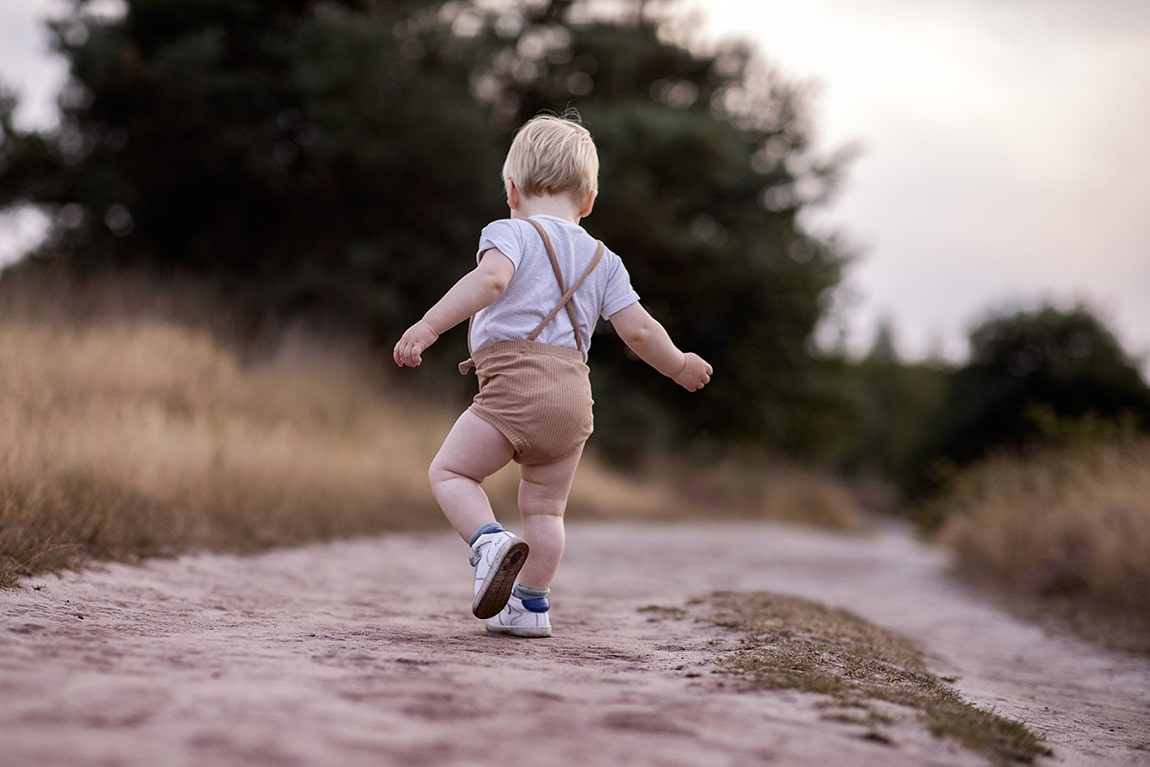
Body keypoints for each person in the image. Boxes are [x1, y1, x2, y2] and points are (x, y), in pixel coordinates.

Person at [392, 113, 713, 638]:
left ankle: (488, 541)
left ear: (511, 191)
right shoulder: (605, 260)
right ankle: (531, 606)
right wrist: (678, 364)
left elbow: (491, 280)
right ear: (588, 202)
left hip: (513, 389)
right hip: (572, 402)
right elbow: (638, 331)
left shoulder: (510, 232)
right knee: (545, 512)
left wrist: (427, 327)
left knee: (451, 474)